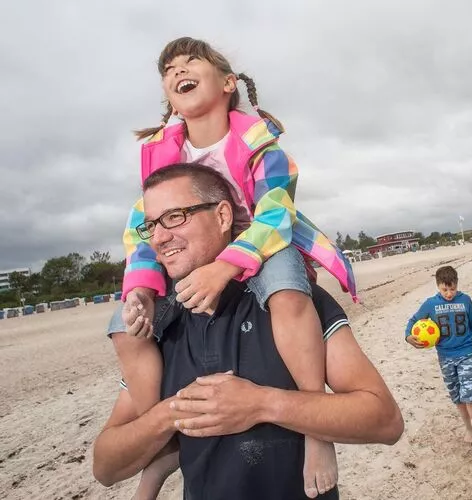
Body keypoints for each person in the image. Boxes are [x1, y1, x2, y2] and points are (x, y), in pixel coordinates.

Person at [115, 37, 356, 498]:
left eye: (189, 63)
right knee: (126, 327)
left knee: (287, 291)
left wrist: (225, 267)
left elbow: (275, 214)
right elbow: (142, 227)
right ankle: (162, 441)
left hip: (259, 244)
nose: (176, 70)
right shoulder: (161, 152)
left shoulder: (260, 145)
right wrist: (142, 289)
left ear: (228, 83)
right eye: (167, 69)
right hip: (191, 252)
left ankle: (316, 429)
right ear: (167, 95)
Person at [93, 164, 403, 500]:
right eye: (151, 225)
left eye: (175, 217)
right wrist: (172, 413)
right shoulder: (160, 323)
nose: (159, 237)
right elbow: (105, 467)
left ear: (223, 216)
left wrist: (262, 404)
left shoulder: (289, 300)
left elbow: (384, 419)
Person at [404, 266, 472, 452]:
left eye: (452, 289)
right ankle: (468, 428)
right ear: (438, 286)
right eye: (445, 289)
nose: (449, 293)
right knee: (457, 395)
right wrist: (408, 336)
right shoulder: (430, 304)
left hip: (466, 352)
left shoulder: (465, 300)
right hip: (445, 356)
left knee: (470, 393)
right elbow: (413, 321)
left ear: (456, 284)